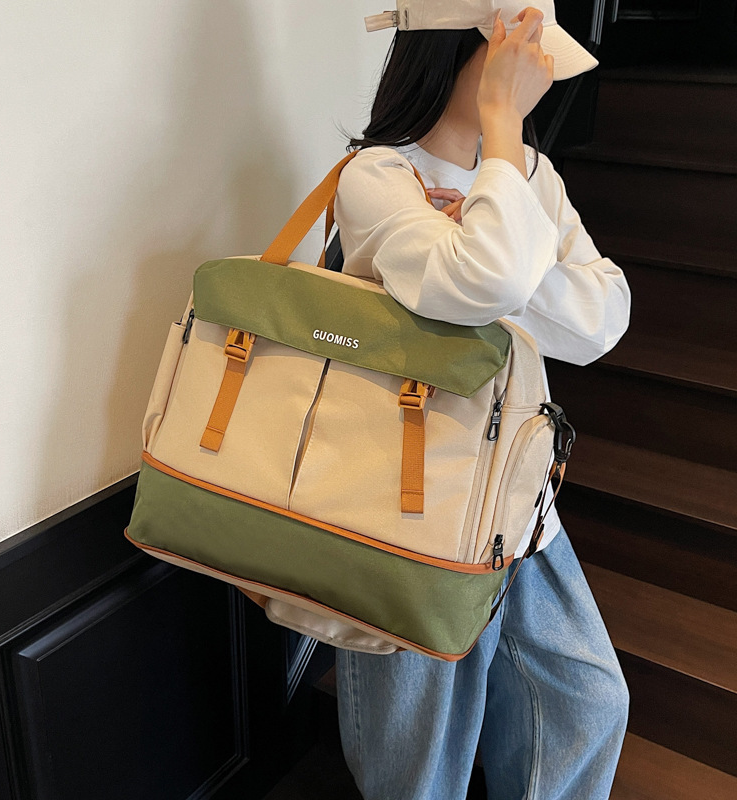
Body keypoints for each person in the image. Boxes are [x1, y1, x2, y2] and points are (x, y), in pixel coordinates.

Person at [332, 3, 631, 799]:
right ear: (458, 48)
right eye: (520, 51)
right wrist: (500, 130)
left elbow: (602, 318)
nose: (536, 70)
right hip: (410, 510)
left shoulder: (531, 176)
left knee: (585, 704)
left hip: (518, 505)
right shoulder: (379, 177)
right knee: (421, 763)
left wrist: (491, 241)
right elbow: (490, 278)